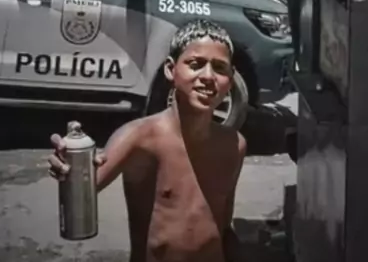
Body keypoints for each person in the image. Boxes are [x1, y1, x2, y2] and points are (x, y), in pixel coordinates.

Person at [48, 20, 246, 262]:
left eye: (219, 68)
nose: (208, 76)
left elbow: (223, 227)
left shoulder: (234, 145)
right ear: (170, 69)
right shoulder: (139, 137)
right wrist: (69, 166)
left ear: (231, 79)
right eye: (195, 65)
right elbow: (86, 183)